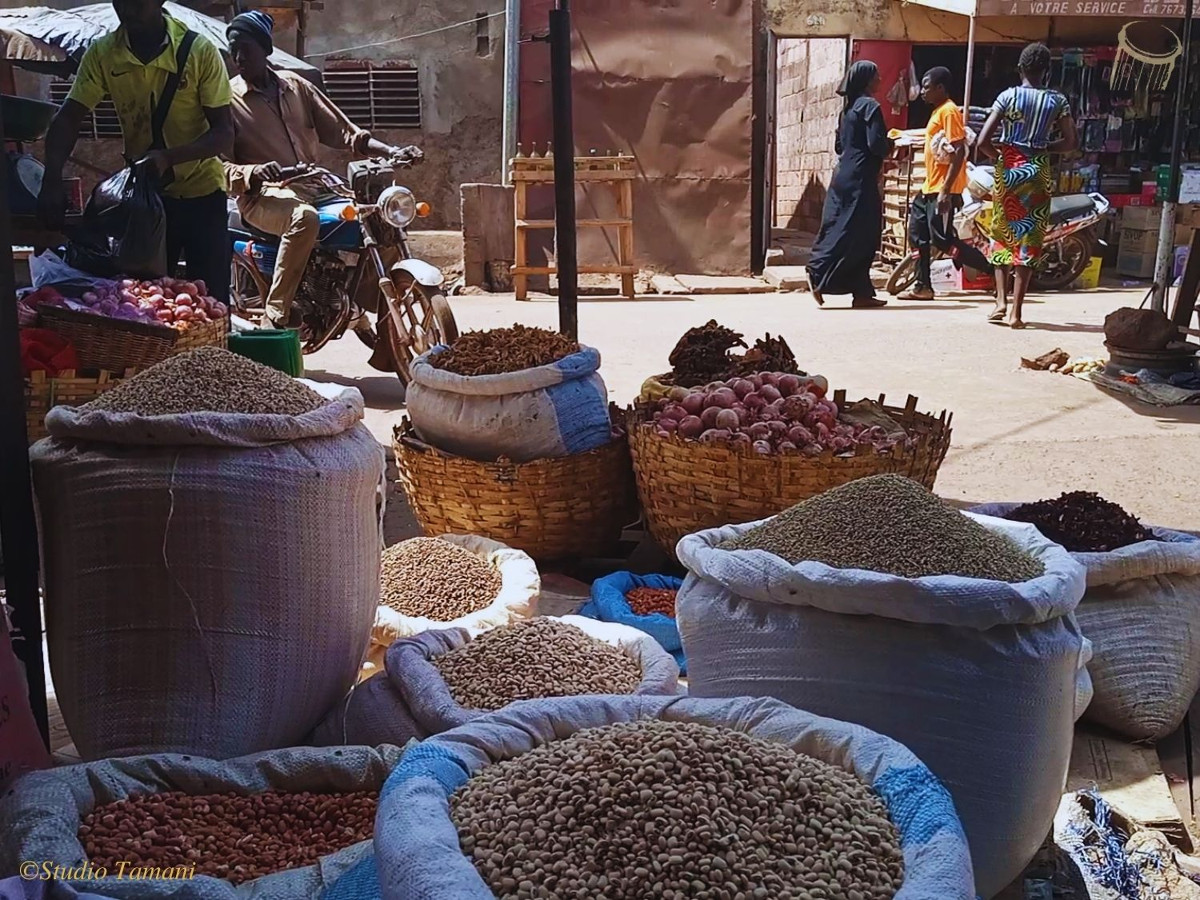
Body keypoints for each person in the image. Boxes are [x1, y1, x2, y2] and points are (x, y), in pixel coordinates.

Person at [223, 11, 416, 328]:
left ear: (265, 49)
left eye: (245, 48)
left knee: (379, 215)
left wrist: (392, 151)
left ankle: (365, 305)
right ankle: (277, 316)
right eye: (234, 50)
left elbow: (347, 133)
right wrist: (254, 172)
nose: (238, 57)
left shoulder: (295, 86)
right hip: (261, 197)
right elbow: (219, 164)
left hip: (315, 186)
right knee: (304, 219)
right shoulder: (228, 99)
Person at [38, 0, 234, 303]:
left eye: (137, 3)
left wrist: (169, 157)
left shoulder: (198, 51)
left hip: (202, 195)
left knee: (211, 301)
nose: (128, 11)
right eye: (121, 3)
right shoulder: (104, 53)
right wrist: (50, 180)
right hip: (147, 202)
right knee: (147, 301)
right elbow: (68, 118)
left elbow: (223, 134)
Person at [977, 42, 1077, 328]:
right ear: (1045, 71)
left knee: (1002, 232)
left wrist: (1003, 159)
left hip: (1008, 170)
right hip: (1038, 172)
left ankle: (1000, 302)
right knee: (1030, 238)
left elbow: (983, 141)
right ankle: (1016, 314)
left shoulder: (1007, 97)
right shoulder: (1057, 101)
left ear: (1020, 68)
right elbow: (1071, 142)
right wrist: (1043, 148)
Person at [897, 67, 994, 301]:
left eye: (927, 87)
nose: (923, 92)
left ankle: (993, 270)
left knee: (942, 239)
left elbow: (959, 149)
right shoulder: (937, 112)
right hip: (929, 187)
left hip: (943, 189)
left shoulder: (949, 111)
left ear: (940, 88)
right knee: (916, 234)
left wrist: (945, 191)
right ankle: (923, 286)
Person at [806, 60, 893, 309]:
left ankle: (862, 292)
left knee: (841, 227)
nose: (879, 80)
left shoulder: (847, 111)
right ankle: (818, 271)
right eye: (876, 76)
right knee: (862, 233)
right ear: (866, 80)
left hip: (842, 176)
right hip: (861, 179)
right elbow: (876, 144)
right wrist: (892, 144)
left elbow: (839, 146)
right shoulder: (870, 107)